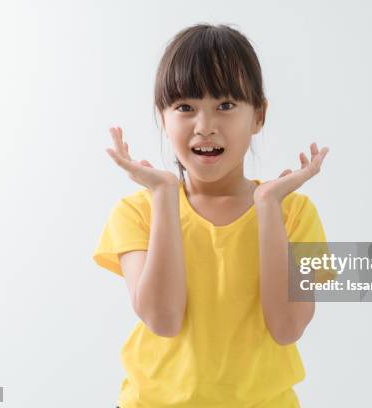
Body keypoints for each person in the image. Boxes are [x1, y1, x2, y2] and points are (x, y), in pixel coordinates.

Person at [93, 23, 329, 408]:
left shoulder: (295, 213)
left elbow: (287, 328)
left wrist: (268, 207)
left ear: (258, 116)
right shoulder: (137, 212)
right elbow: (163, 320)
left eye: (225, 105)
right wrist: (165, 194)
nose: (205, 127)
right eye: (185, 107)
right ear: (163, 117)